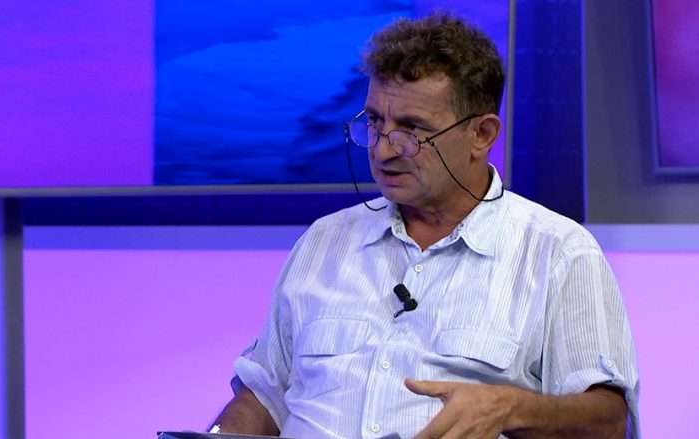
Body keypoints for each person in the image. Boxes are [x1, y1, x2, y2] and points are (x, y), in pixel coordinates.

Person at [211, 13, 639, 439]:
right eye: (375, 123)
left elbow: (608, 423)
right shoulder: (324, 240)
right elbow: (264, 395)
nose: (383, 151)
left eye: (412, 130)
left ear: (482, 134)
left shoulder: (558, 251)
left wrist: (510, 408)